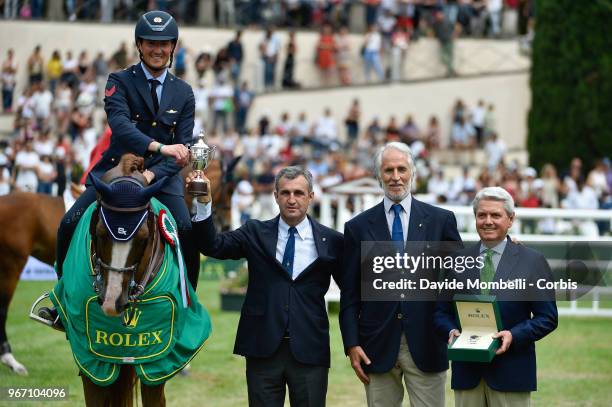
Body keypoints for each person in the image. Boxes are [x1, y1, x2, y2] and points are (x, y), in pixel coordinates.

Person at [41, 11, 194, 329]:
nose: (158, 49)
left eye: (164, 43)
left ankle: (185, 306)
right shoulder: (119, 81)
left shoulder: (184, 93)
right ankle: (61, 302)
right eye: (151, 42)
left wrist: (154, 172)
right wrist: (159, 148)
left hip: (161, 177)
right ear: (139, 45)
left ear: (173, 47)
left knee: (185, 229)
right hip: (115, 171)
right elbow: (122, 128)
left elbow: (181, 150)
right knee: (69, 222)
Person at [190, 166, 343, 407]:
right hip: (263, 347)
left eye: (299, 193)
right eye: (285, 193)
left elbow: (353, 292)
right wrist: (204, 203)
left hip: (310, 349)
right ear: (275, 196)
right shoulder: (255, 232)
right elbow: (213, 246)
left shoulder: (332, 240)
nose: (291, 199)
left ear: (311, 197)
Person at [340, 141, 461, 407]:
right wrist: (351, 344)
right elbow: (349, 294)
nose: (396, 177)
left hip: (428, 341)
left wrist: (503, 247)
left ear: (412, 173)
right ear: (378, 176)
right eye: (389, 170)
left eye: (402, 169)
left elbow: (460, 278)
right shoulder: (357, 228)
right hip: (376, 345)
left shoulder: (441, 221)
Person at [434, 187, 558, 407]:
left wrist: (514, 335)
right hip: (467, 375)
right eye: (482, 215)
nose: (488, 221)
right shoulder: (457, 261)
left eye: (496, 215)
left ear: (510, 219)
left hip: (512, 373)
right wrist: (451, 331)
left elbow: (547, 318)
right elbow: (441, 312)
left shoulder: (533, 261)